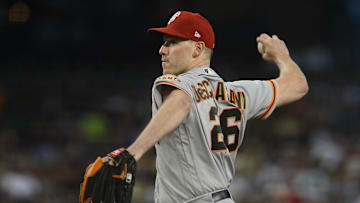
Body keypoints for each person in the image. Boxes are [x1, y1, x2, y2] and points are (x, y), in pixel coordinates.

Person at [107, 11, 308, 203]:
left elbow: (182, 102)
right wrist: (282, 57)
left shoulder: (181, 83)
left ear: (197, 49)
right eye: (164, 43)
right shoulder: (239, 93)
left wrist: (133, 152)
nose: (162, 50)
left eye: (173, 42)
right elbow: (297, 86)